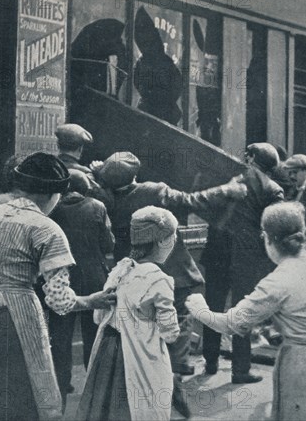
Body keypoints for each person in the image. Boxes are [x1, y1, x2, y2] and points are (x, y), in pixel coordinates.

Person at [0, 153, 117, 420]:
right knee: (22, 392)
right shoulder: (47, 229)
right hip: (21, 316)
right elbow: (59, 300)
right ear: (53, 195)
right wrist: (90, 301)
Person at [186, 202, 306, 421]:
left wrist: (199, 309)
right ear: (303, 234)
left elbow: (232, 323)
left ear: (267, 239)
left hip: (302, 368)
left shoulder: (278, 281)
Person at [97, 151, 246, 378]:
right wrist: (228, 189)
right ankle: (173, 374)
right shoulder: (153, 191)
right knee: (178, 321)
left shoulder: (104, 197)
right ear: (135, 173)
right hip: (172, 270)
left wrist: (101, 176)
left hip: (133, 271)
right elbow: (191, 200)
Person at [77, 206, 181, 421]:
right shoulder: (159, 279)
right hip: (139, 354)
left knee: (105, 408)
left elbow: (99, 317)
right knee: (141, 404)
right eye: (173, 236)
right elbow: (169, 332)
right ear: (162, 241)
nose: (174, 241)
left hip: (108, 351)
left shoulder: (120, 270)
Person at [201, 142, 284, 383]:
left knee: (213, 307)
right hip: (246, 257)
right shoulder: (272, 188)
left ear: (251, 158)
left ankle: (211, 361)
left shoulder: (226, 178)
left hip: (217, 252)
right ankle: (240, 370)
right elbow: (274, 225)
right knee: (242, 312)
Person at [48, 169, 116, 403]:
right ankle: (93, 395)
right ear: (86, 188)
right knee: (93, 338)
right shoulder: (97, 206)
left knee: (60, 340)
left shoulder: (52, 209)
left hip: (61, 280)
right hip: (93, 280)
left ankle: (61, 391)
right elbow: (108, 244)